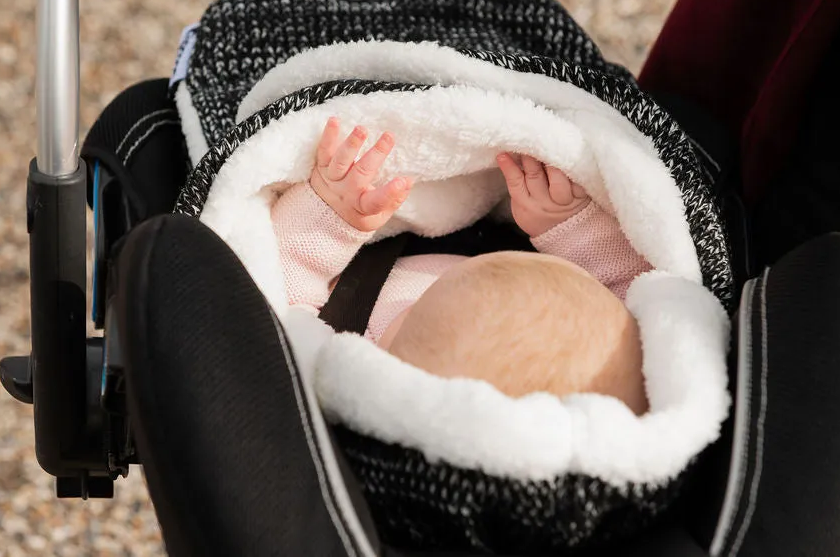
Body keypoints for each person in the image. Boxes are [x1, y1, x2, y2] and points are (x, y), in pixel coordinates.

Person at [272, 117, 652, 414]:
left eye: (411, 315)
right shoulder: (605, 352)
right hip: (497, 234)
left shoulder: (344, 366)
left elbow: (276, 292)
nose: (412, 302)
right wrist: (572, 227)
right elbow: (632, 295)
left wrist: (328, 213)